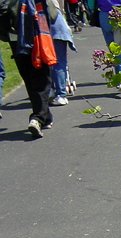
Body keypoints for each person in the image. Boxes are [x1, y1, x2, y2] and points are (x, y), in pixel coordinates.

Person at [7, 0, 61, 137]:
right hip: (35, 32)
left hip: (15, 36)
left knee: (29, 78)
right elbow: (53, 13)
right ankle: (38, 118)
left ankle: (45, 116)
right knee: (41, 77)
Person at [97, 0, 121, 95]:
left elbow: (91, 3)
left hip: (104, 14)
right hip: (119, 12)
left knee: (113, 50)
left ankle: (118, 80)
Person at [49, 5, 74, 105]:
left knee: (54, 62)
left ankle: (59, 93)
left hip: (52, 31)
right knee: (58, 62)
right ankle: (59, 93)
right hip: (59, 30)